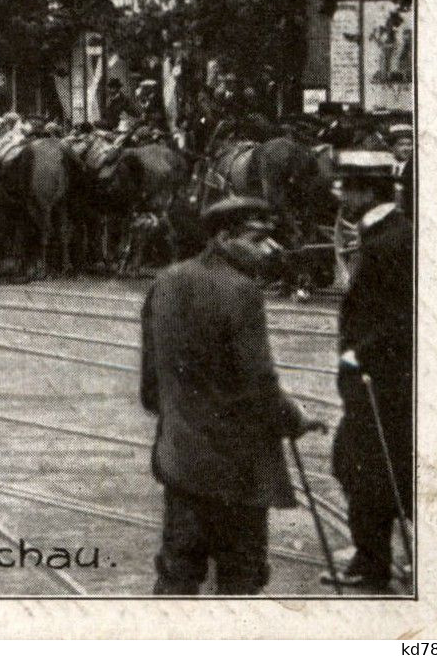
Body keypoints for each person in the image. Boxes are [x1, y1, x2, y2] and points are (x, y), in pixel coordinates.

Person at [139, 195, 319, 595]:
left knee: (178, 572)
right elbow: (260, 380)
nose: (269, 250)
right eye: (256, 240)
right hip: (237, 467)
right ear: (222, 238)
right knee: (241, 575)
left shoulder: (165, 280)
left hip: (181, 459)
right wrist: (294, 418)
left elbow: (150, 385)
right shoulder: (241, 291)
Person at [326, 154, 414, 592]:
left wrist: (360, 354)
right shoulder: (386, 232)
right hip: (382, 374)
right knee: (371, 465)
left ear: (367, 191)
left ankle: (372, 562)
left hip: (379, 376)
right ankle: (373, 555)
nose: (341, 196)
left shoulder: (389, 241)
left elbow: (402, 314)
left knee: (358, 465)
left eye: (347, 188)